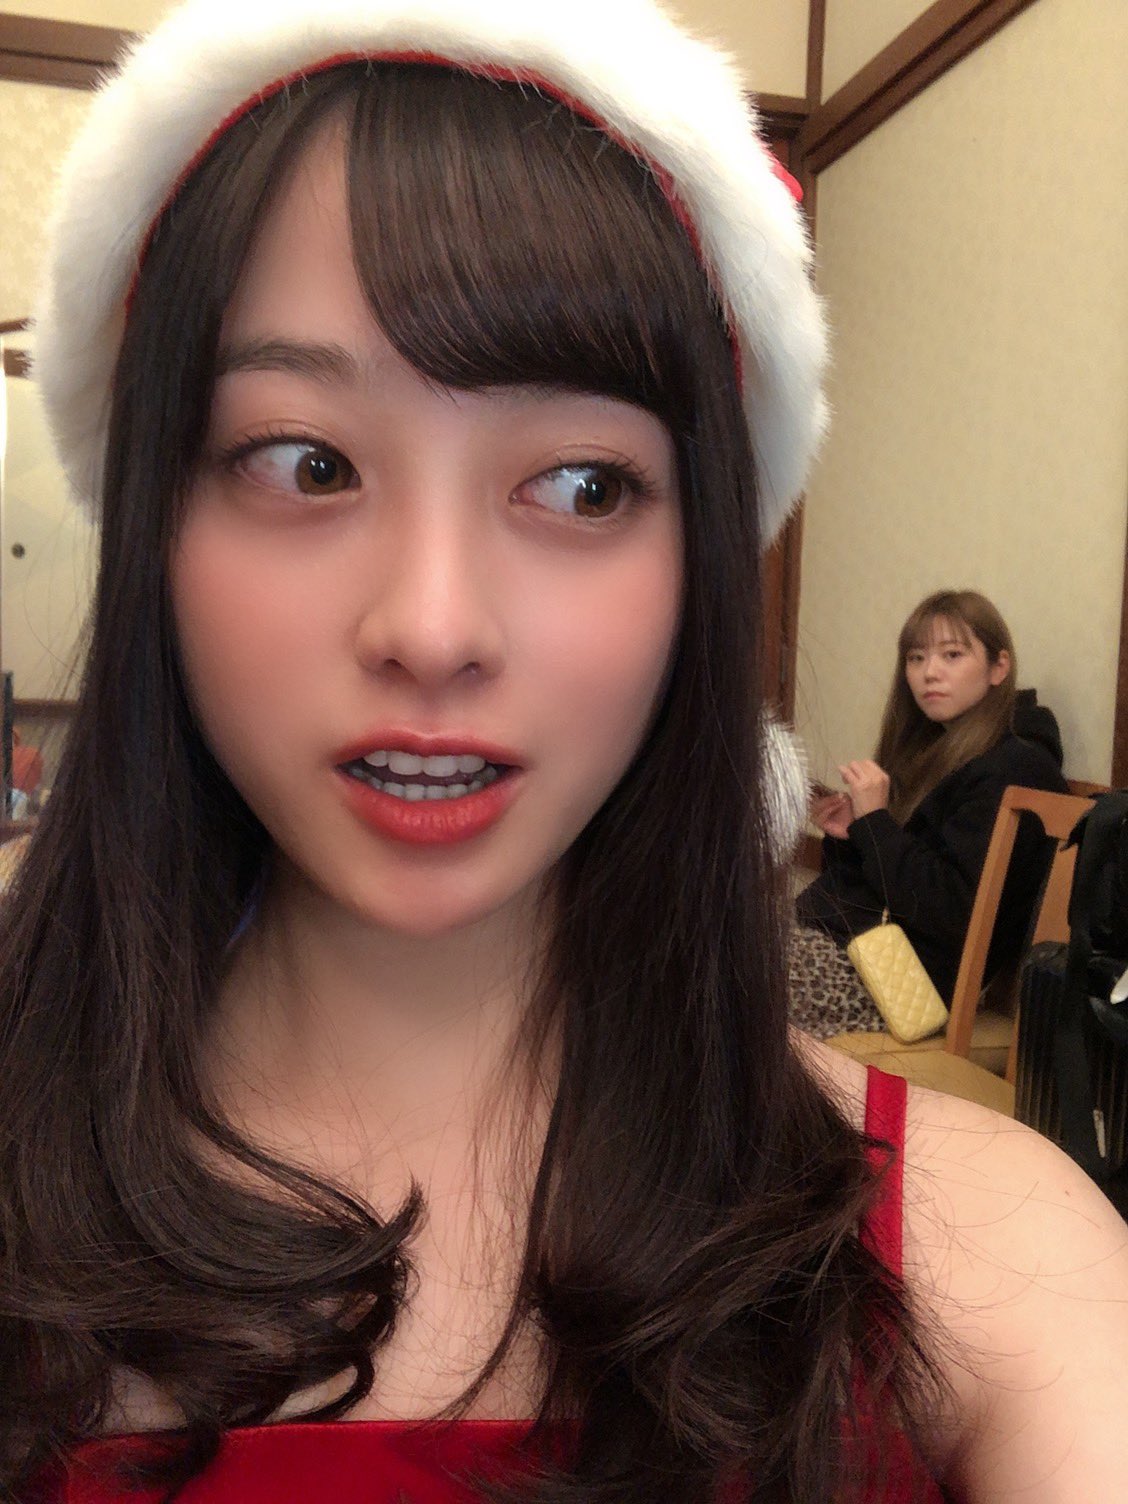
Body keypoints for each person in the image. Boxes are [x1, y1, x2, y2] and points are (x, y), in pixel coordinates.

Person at [2, 1, 1125, 1500]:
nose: (433, 626)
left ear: (699, 566)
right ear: (155, 524)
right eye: (305, 462)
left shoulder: (998, 1261)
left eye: (585, 486)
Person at [790, 590, 1069, 1040]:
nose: (929, 673)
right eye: (916, 658)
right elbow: (877, 883)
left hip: (896, 982)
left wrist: (876, 824)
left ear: (999, 667)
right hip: (848, 946)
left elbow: (952, 911)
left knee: (716, 973)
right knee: (701, 939)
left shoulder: (1017, 769)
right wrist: (854, 834)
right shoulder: (933, 750)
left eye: (952, 655)